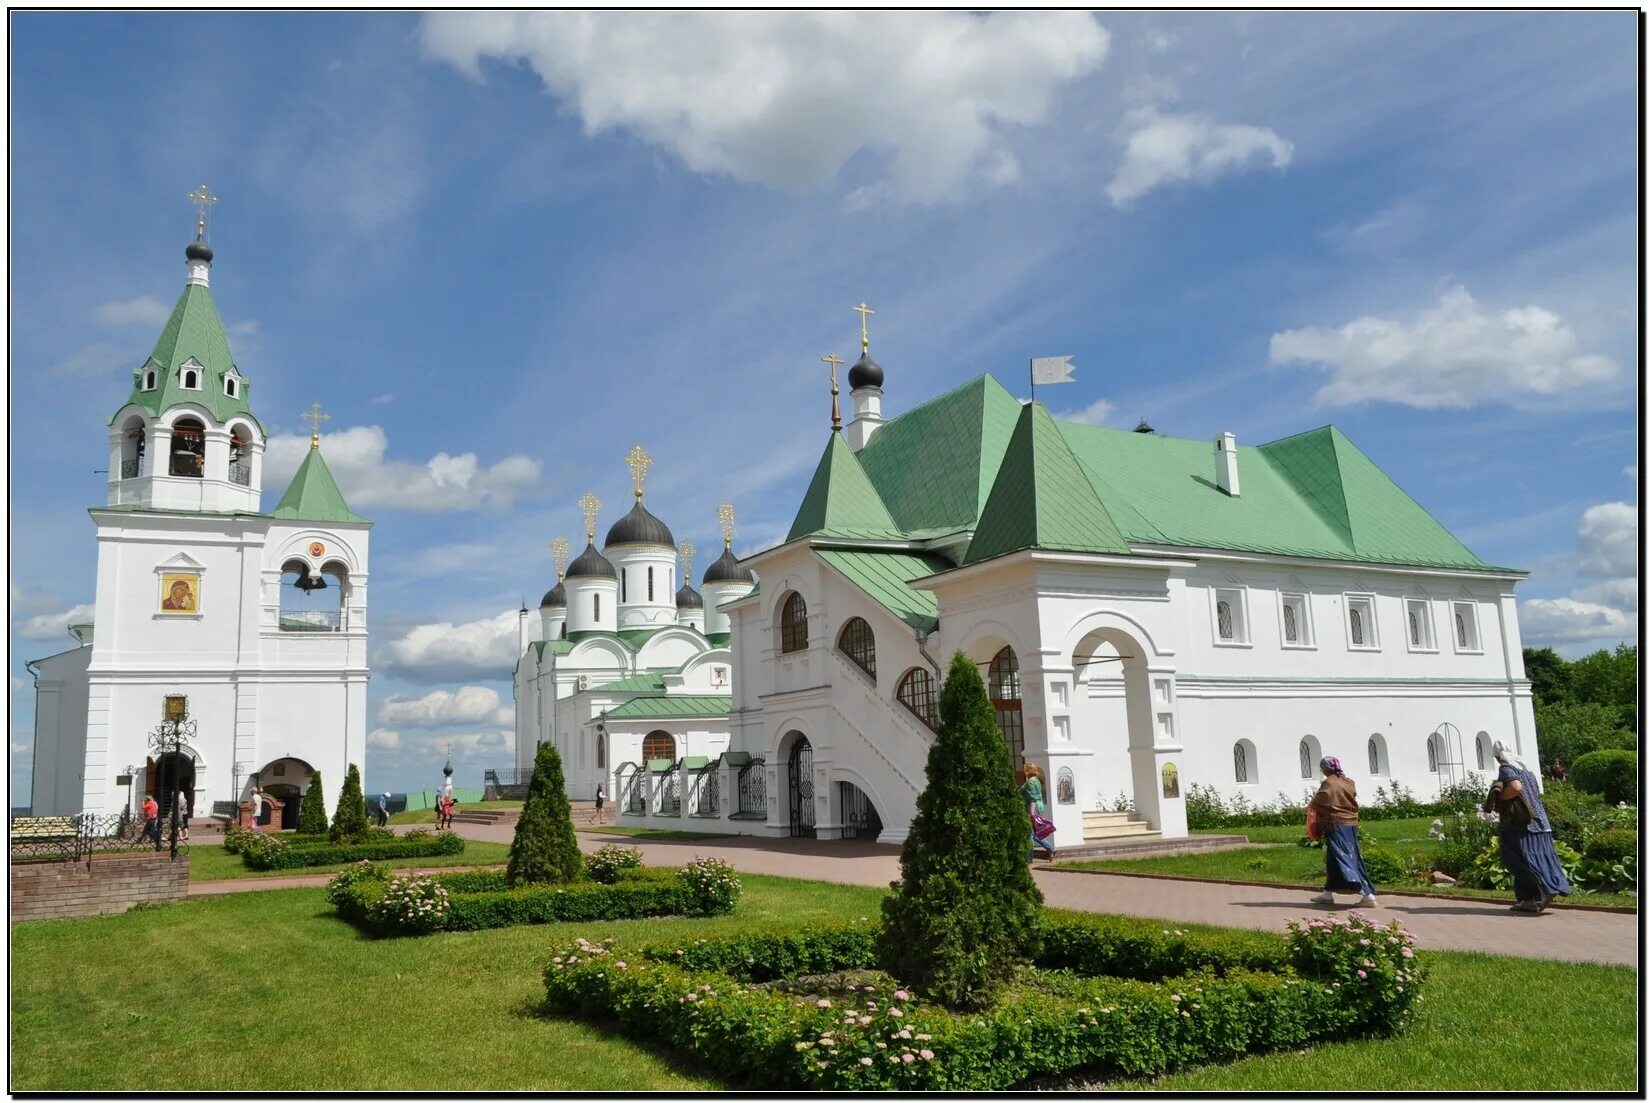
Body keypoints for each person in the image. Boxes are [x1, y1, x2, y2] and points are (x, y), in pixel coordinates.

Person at [1490, 740, 1571, 913]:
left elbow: (1515, 787)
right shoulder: (1525, 768)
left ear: (1498, 757)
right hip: (1540, 821)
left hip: (1520, 823)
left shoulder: (1506, 768)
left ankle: (1543, 890)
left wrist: (1499, 798)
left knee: (1514, 859)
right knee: (1540, 857)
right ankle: (1529, 899)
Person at [1308, 756, 1379, 908]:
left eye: (1322, 768)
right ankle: (1327, 894)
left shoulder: (1329, 783)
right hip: (1350, 824)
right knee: (1334, 859)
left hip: (1336, 825)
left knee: (1345, 857)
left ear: (1326, 768)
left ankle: (1368, 895)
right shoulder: (1348, 782)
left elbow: (1319, 802)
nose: (1322, 771)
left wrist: (1311, 805)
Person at [1019, 764, 1055, 860]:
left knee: (1029, 834)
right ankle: (1050, 849)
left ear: (1028, 771)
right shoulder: (1036, 781)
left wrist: (1031, 813)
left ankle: (1029, 857)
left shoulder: (1030, 782)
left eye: (1025, 770)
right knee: (1035, 833)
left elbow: (1032, 799)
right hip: (1038, 807)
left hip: (1032, 808)